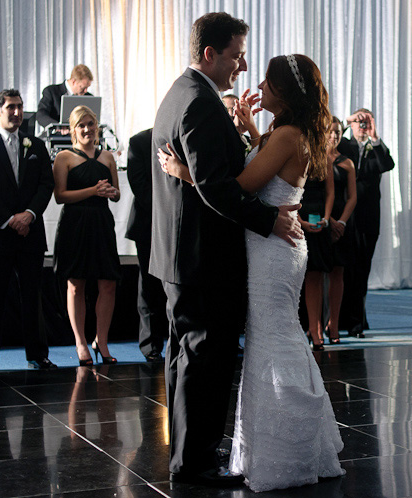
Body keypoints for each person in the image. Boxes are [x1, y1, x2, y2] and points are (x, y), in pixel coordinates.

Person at [159, 52, 344, 493]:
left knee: (274, 338)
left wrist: (183, 171)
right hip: (272, 245)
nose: (259, 86)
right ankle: (283, 442)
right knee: (275, 336)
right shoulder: (284, 134)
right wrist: (251, 131)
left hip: (272, 250)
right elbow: (269, 162)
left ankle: (287, 445)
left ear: (283, 90)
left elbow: (239, 187)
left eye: (267, 82)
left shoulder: (286, 137)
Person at [148, 12, 303, 487]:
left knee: (185, 357)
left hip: (183, 254)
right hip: (201, 256)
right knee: (204, 361)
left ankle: (185, 456)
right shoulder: (198, 103)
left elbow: (213, 172)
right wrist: (267, 219)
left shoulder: (185, 92)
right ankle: (194, 465)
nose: (241, 65)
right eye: (236, 55)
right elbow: (217, 186)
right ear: (210, 54)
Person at [0, 89, 56, 372]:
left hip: (30, 233)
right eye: (10, 108)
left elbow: (46, 185)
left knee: (33, 296)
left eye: (20, 107)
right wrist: (9, 219)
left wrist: (29, 215)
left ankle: (38, 355)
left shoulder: (36, 146)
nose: (17, 113)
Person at [53, 105, 121, 365]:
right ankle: (80, 341)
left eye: (90, 124)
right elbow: (60, 196)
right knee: (76, 283)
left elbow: (117, 194)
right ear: (73, 130)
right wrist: (93, 190)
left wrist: (110, 192)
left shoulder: (108, 157)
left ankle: (101, 340)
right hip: (75, 223)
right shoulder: (64, 157)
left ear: (97, 127)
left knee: (108, 283)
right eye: (81, 125)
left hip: (102, 222)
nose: (86, 129)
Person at [337, 107, 395, 338]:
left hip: (369, 218)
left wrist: (374, 135)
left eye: (365, 121)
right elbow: (325, 136)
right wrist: (346, 120)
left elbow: (387, 165)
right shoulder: (343, 146)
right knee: (344, 270)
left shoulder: (377, 148)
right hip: (344, 217)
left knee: (362, 271)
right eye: (357, 121)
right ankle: (343, 319)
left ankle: (357, 322)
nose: (361, 125)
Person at [125, 127, 167, 363]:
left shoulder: (184, 136)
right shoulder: (140, 141)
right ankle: (150, 344)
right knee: (149, 284)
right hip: (148, 223)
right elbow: (139, 185)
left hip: (178, 222)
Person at [298, 138, 334, 351]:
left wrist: (327, 218)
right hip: (295, 215)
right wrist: (299, 221)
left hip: (319, 219)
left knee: (315, 275)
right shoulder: (291, 150)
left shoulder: (324, 156)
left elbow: (329, 192)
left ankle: (315, 327)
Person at [325, 116, 356, 345]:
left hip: (343, 225)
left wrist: (341, 222)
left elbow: (352, 197)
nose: (334, 136)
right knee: (315, 275)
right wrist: (329, 220)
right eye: (330, 131)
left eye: (338, 132)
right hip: (320, 220)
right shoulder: (314, 158)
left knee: (338, 273)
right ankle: (314, 325)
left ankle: (333, 323)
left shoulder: (347, 162)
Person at [36, 64, 94, 131]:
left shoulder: (88, 97)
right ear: (74, 81)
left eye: (87, 87)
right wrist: (58, 127)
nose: (85, 91)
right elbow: (41, 115)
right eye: (82, 88)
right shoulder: (52, 92)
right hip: (59, 138)